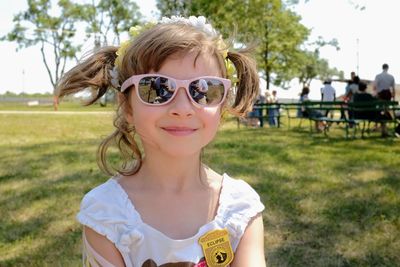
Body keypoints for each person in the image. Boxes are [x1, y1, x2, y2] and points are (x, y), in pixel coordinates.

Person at [56, 16, 265, 266]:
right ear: (128, 107)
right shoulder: (106, 214)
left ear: (221, 107)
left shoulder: (240, 208)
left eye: (205, 89)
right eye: (156, 89)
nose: (182, 108)